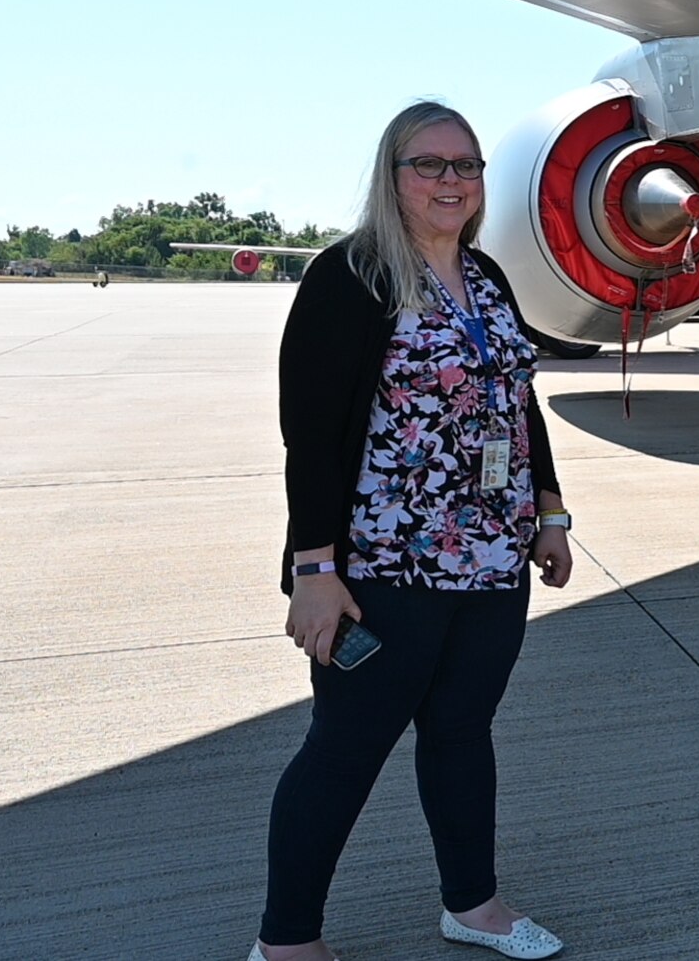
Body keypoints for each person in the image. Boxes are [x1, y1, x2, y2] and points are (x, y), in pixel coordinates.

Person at [253, 102, 574, 961]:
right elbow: (311, 436)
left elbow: (518, 402)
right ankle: (287, 943)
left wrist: (548, 510)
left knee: (464, 732)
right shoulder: (350, 276)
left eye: (465, 166)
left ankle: (473, 901)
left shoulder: (488, 277)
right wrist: (313, 567)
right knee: (347, 747)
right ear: (392, 176)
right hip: (388, 563)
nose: (450, 181)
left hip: (492, 560)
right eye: (428, 164)